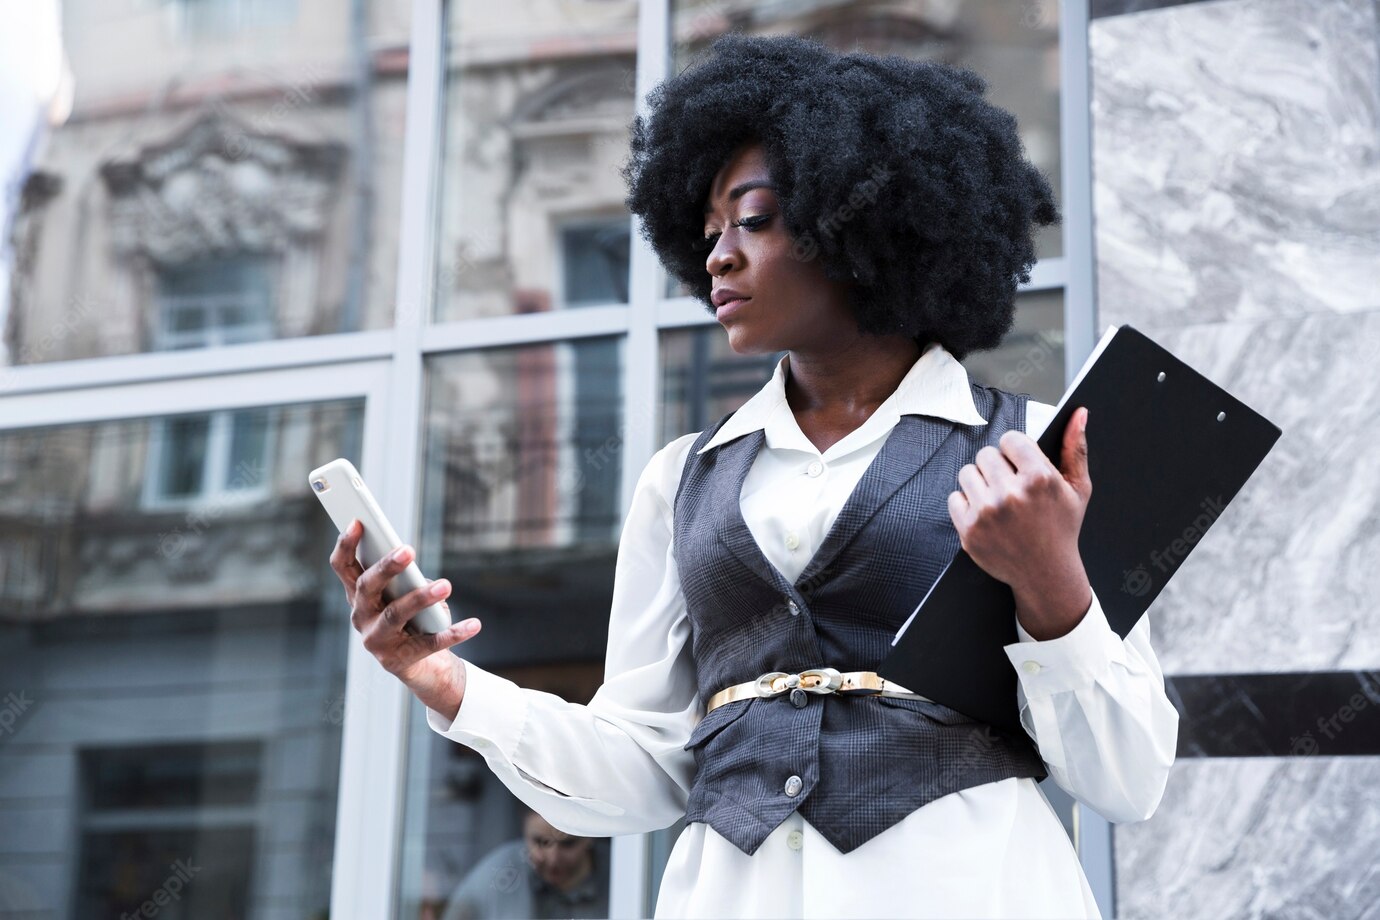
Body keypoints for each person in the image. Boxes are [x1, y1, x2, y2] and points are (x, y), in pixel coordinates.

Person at [330, 32, 1179, 918]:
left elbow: (1128, 777)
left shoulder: (1037, 452)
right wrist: (451, 687)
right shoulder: (680, 480)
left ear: (869, 221)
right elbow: (642, 768)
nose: (719, 256)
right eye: (707, 232)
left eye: (755, 219)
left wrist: (1053, 583)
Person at [439, 808, 609, 920]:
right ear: (524, 832)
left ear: (590, 837)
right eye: (541, 842)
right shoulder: (499, 872)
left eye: (568, 844)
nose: (553, 858)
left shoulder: (622, 877)